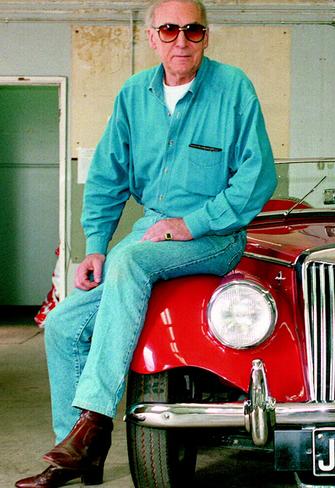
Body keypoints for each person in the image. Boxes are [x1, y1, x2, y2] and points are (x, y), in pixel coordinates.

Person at [16, 0, 277, 486]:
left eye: (193, 30)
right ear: (151, 38)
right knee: (63, 325)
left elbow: (257, 179)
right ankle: (77, 456)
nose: (182, 40)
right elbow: (106, 178)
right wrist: (95, 245)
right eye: (170, 30)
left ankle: (93, 420)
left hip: (215, 235)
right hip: (151, 229)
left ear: (206, 36)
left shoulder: (233, 88)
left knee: (132, 261)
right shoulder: (133, 95)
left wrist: (192, 223)